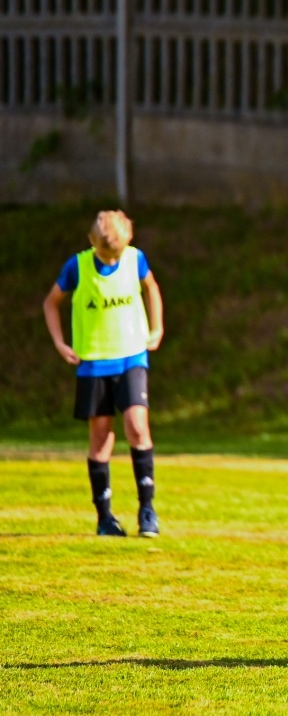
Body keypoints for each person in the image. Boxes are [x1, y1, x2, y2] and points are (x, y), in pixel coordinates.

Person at [41, 210, 166, 538]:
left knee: (138, 426)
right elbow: (50, 303)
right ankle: (105, 518)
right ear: (91, 242)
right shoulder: (77, 267)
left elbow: (151, 288)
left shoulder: (135, 259)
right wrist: (59, 343)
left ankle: (147, 510)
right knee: (100, 437)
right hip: (94, 362)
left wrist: (157, 327)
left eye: (118, 254)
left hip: (131, 356)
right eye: (105, 254)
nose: (112, 261)